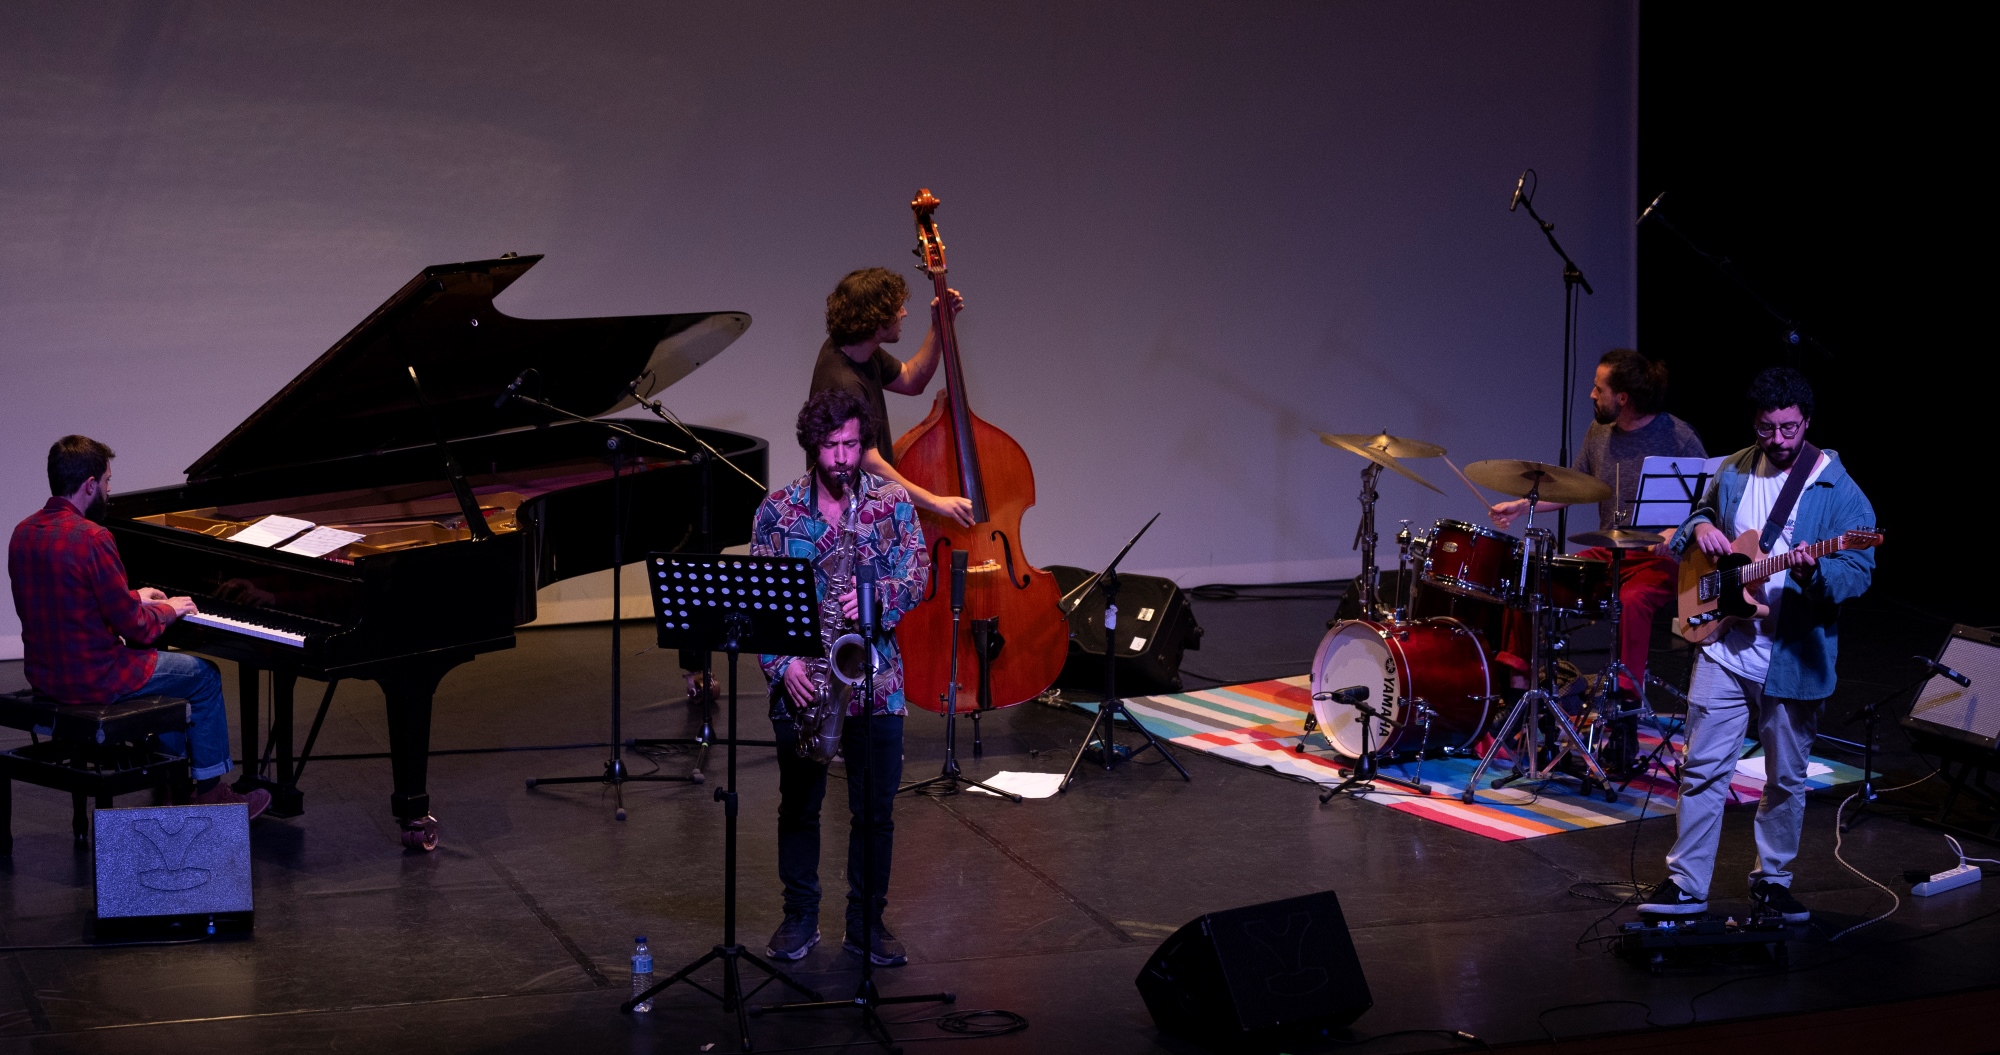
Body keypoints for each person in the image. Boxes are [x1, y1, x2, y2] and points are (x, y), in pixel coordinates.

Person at [1638, 367, 1875, 922]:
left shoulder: (1838, 489)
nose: (1779, 439)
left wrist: (1816, 573)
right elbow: (1700, 515)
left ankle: (1772, 882)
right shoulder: (1736, 468)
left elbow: (1858, 571)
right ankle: (1687, 884)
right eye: (1768, 428)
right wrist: (1699, 528)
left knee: (1785, 780)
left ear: (1807, 422)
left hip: (1790, 660)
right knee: (1701, 770)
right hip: (1725, 645)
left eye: (1789, 428)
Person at [755, 390, 930, 966]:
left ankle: (866, 922)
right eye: (831, 446)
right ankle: (799, 917)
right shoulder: (777, 512)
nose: (842, 459)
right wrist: (782, 665)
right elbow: (760, 606)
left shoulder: (891, 503)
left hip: (875, 681)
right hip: (805, 682)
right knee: (798, 809)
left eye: (852, 445)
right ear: (813, 445)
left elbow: (918, 575)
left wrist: (876, 597)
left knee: (874, 815)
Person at [8, 436, 270, 818]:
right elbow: (136, 629)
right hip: (97, 678)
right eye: (107, 481)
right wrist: (168, 609)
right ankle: (213, 794)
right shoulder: (93, 538)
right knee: (203, 676)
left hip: (47, 677)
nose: (110, 491)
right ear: (90, 485)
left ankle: (172, 787)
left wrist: (133, 596)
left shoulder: (24, 532)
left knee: (171, 682)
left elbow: (70, 601)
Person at [1491, 348, 1708, 697]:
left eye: (1599, 388)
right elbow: (1573, 488)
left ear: (1622, 398)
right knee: (1532, 577)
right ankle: (1519, 687)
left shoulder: (1679, 437)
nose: (1592, 394)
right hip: (1610, 552)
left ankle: (1625, 695)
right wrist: (1521, 505)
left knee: (1632, 599)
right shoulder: (1599, 432)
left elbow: (1709, 503)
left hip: (1660, 560)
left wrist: (1677, 529)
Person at [810, 266, 975, 528]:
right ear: (877, 320)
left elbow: (911, 380)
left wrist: (939, 326)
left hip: (863, 508)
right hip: (845, 520)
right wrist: (935, 502)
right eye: (898, 308)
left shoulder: (860, 349)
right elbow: (869, 463)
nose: (904, 313)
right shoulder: (844, 385)